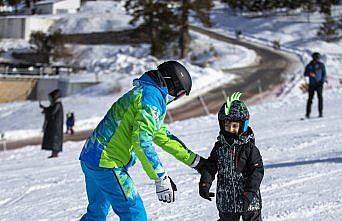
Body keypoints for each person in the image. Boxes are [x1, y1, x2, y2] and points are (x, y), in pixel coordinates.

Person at [79, 60, 206, 221]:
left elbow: (161, 135)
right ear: (171, 84)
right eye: (179, 93)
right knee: (134, 214)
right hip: (107, 163)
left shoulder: (146, 92)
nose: (175, 98)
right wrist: (160, 177)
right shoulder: (152, 98)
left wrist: (195, 161)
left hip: (91, 158)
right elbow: (141, 140)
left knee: (96, 214)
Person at [198, 92, 264, 221]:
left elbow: (257, 172)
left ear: (243, 125)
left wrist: (249, 193)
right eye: (227, 125)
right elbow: (210, 166)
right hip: (226, 200)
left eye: (234, 126)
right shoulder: (219, 147)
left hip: (248, 199)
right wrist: (205, 183)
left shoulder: (249, 148)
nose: (230, 129)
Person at [40, 89, 64, 158]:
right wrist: (45, 108)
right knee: (53, 139)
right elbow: (50, 109)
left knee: (55, 140)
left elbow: (52, 112)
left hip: (56, 127)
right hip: (54, 126)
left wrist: (46, 111)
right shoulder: (56, 104)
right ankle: (54, 153)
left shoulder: (58, 104)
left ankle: (55, 153)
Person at [304, 52, 327, 118]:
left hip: (319, 84)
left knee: (320, 98)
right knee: (310, 99)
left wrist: (322, 82)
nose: (317, 59)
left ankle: (320, 113)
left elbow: (324, 74)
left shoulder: (321, 65)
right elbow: (305, 73)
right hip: (312, 84)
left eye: (318, 58)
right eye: (316, 58)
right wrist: (309, 73)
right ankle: (307, 114)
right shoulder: (309, 65)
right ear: (313, 58)